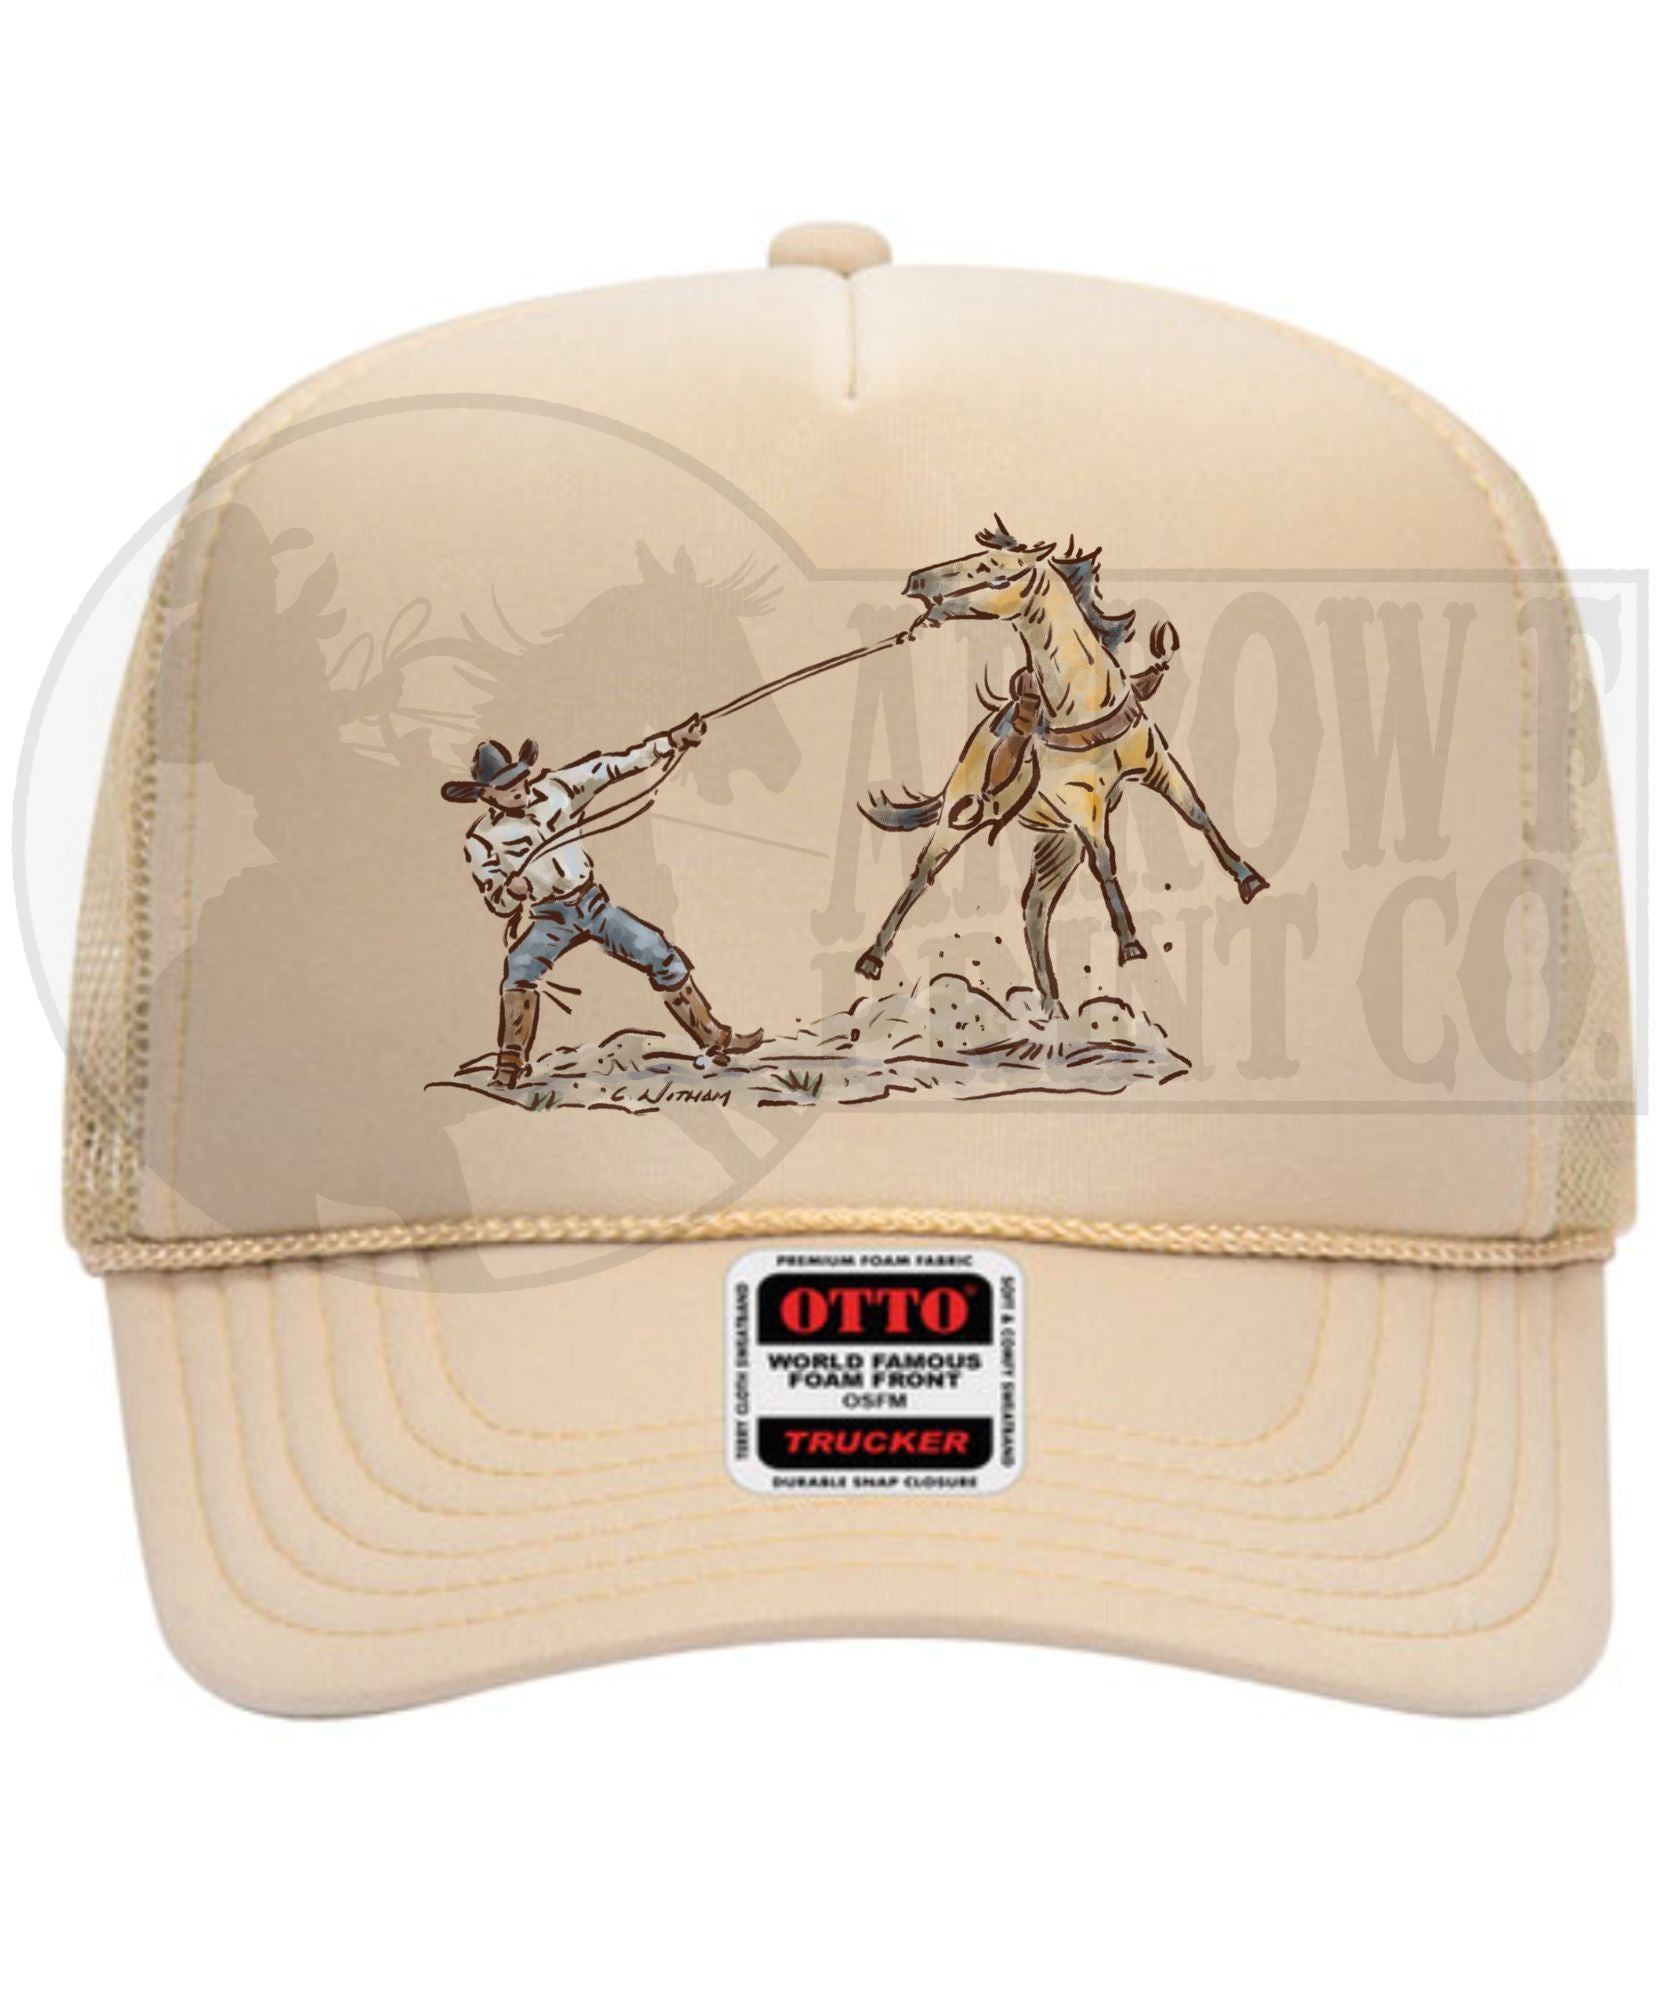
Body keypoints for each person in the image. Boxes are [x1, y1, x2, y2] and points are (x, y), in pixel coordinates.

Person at [442, 716, 763, 1088]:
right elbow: (496, 902)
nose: (518, 790)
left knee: (658, 951)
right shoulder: (481, 840)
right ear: (485, 795)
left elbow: (611, 766)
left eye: (519, 780)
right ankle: (510, 1063)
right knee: (520, 967)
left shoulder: (557, 788)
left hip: (593, 904)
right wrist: (510, 893)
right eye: (505, 787)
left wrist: (671, 741)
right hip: (550, 917)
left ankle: (715, 1039)